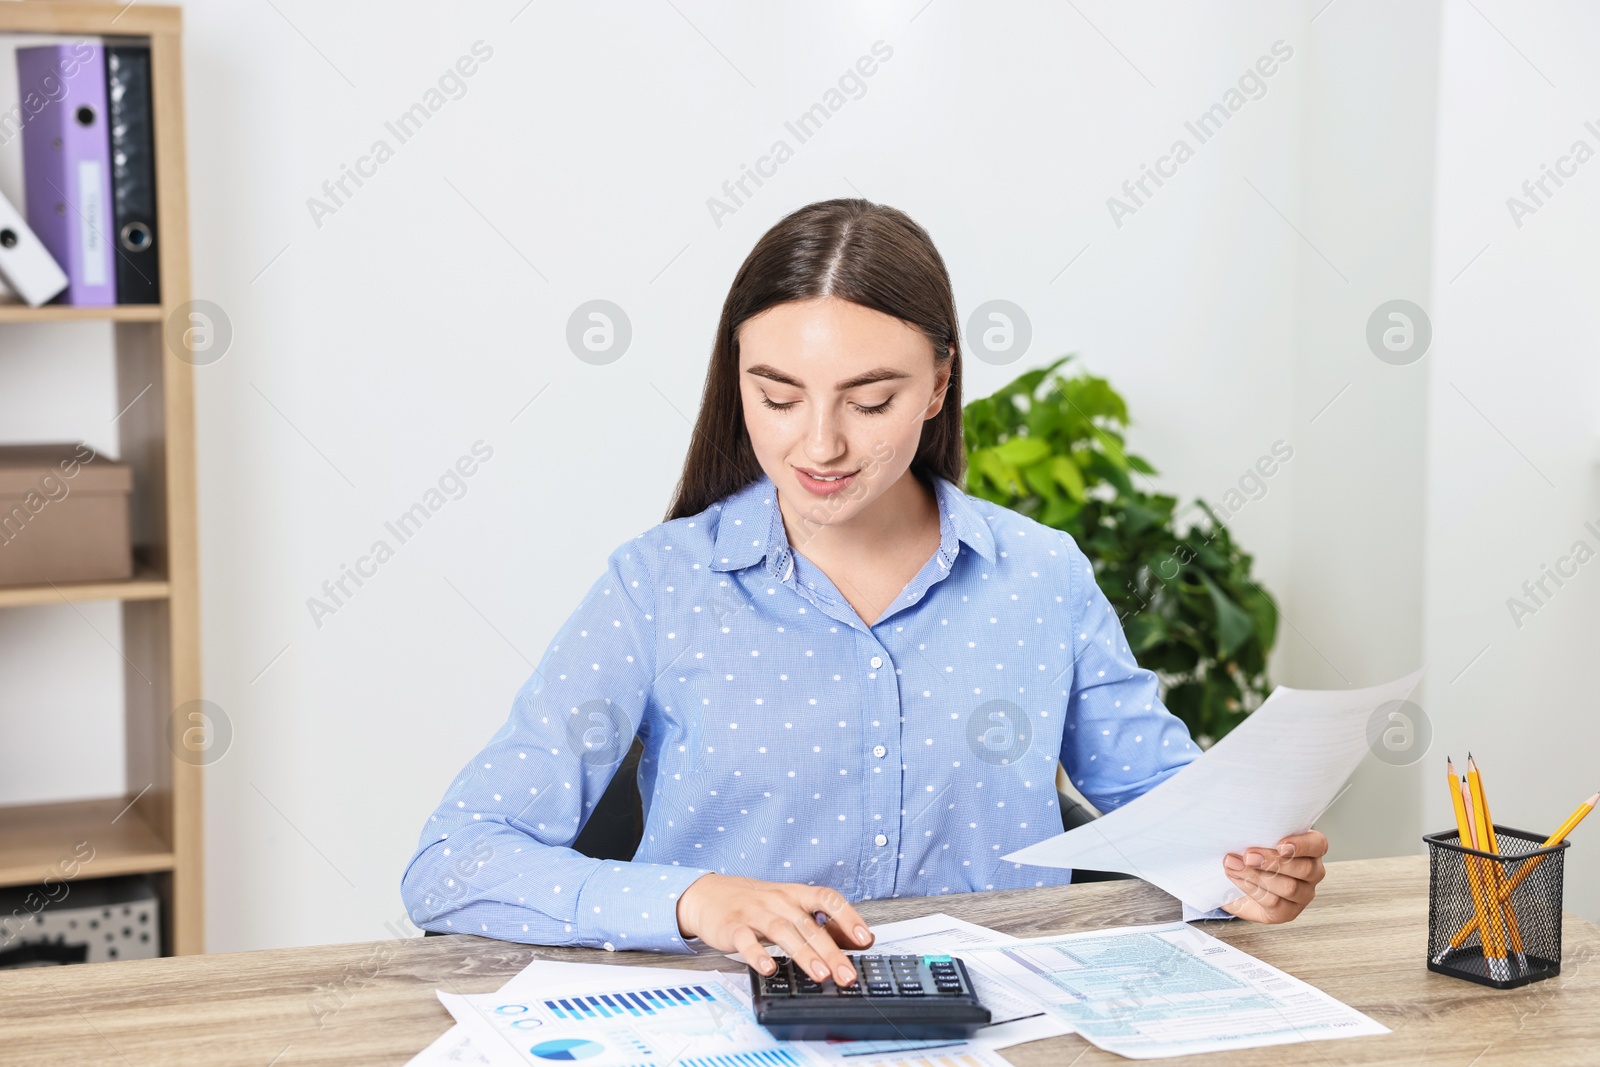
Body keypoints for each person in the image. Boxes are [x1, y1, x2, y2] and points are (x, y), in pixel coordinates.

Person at [399, 198, 1327, 990]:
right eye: (778, 396)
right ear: (738, 383)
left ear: (938, 385)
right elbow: (454, 861)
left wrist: (1244, 871)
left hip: (1001, 1030)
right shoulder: (658, 586)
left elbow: (1176, 818)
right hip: (736, 1028)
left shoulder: (1041, 578)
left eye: (870, 400)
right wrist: (692, 899)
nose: (820, 445)